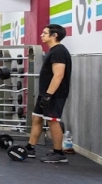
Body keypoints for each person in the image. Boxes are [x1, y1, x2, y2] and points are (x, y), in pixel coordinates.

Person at [25, 25, 72, 163]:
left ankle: (59, 153)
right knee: (37, 118)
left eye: (45, 33)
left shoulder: (59, 51)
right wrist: (45, 94)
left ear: (54, 35)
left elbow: (58, 75)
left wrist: (48, 95)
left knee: (53, 121)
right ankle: (30, 148)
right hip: (45, 93)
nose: (41, 35)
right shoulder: (53, 51)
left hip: (54, 94)